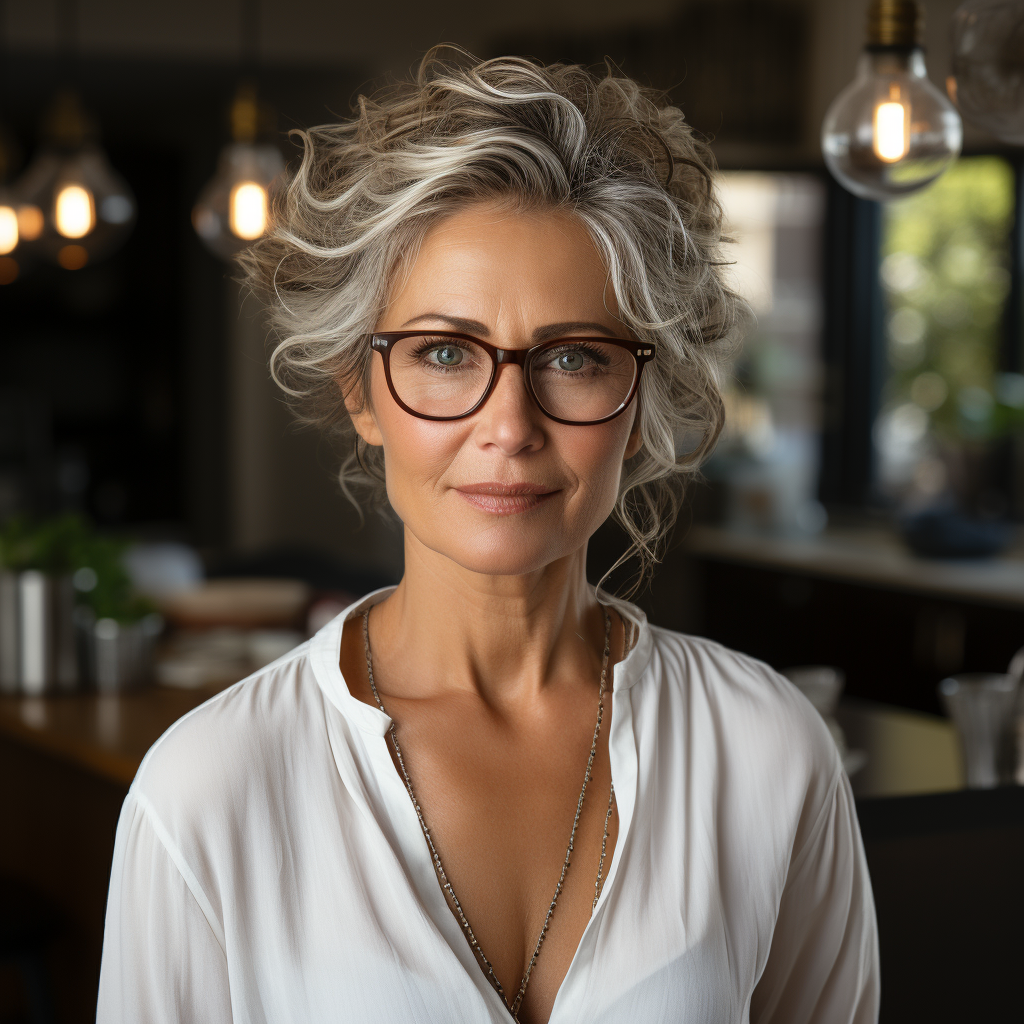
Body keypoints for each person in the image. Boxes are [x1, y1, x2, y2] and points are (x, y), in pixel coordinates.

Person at [97, 52, 879, 1024]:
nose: (508, 425)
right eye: (442, 352)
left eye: (575, 358)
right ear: (361, 392)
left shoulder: (766, 753)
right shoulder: (210, 787)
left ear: (639, 406)